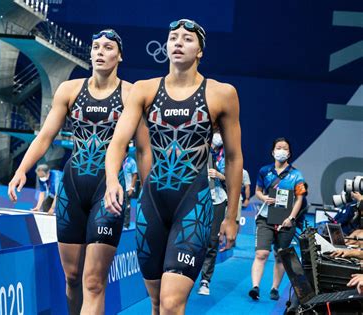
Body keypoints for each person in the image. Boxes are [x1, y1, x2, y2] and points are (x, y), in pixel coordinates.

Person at [104, 19, 243, 315]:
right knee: (156, 303)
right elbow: (118, 143)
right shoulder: (144, 90)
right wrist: (111, 180)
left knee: (171, 304)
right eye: (173, 37)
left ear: (200, 51)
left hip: (193, 206)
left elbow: (233, 158)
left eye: (187, 39)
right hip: (151, 205)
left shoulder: (222, 93)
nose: (178, 42)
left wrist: (231, 216)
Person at [8, 29, 149, 315]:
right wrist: (22, 169)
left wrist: (147, 193)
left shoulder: (132, 93)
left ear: (119, 56)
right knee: (72, 278)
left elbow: (144, 149)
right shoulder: (69, 90)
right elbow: (46, 135)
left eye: (108, 47)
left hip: (108, 193)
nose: (100, 52)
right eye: (95, 46)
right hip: (71, 190)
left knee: (94, 281)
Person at [249, 137, 306, 301]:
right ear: (273, 151)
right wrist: (263, 198)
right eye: (279, 147)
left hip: (286, 220)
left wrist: (291, 218)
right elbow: (258, 191)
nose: (282, 150)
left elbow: (300, 198)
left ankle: (274, 288)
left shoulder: (297, 175)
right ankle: (255, 287)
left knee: (280, 256)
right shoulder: (264, 171)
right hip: (265, 217)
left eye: (285, 148)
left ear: (289, 153)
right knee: (261, 253)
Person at [197, 132, 228, 296]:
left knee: (212, 240)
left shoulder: (228, 154)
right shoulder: (198, 148)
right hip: (198, 199)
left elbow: (236, 178)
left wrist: (220, 175)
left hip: (217, 200)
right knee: (194, 237)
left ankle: (205, 280)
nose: (217, 135)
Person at [122, 154, 138, 229]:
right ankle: (122, 223)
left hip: (129, 188)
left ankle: (127, 225)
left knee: (128, 207)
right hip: (122, 188)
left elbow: (135, 175)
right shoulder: (121, 161)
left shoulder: (131, 161)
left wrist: (131, 188)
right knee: (122, 207)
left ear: (126, 152)